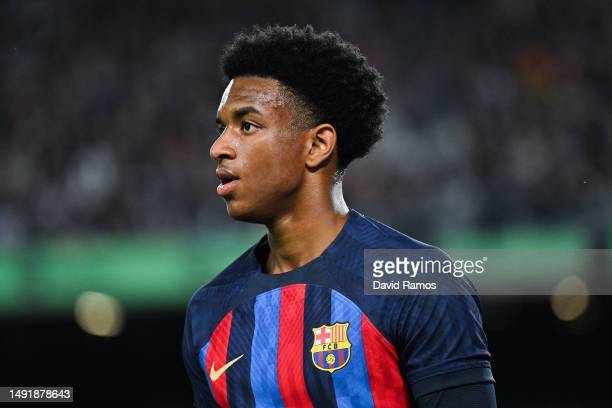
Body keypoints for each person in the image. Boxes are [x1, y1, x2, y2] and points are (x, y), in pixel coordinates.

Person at [183, 25, 496, 407]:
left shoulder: (420, 281)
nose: (218, 147)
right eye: (222, 129)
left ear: (317, 145)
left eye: (247, 126)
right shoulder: (209, 309)